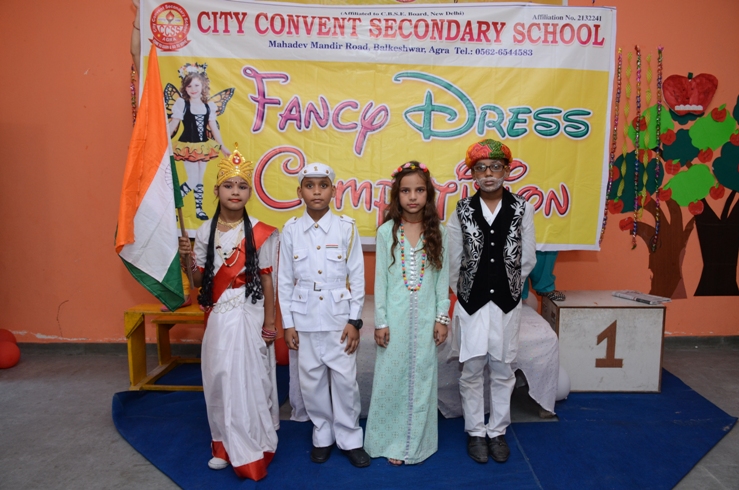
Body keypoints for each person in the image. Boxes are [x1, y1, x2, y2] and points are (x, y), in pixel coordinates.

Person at [177, 148, 279, 481]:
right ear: (217, 190)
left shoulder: (260, 232)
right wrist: (187, 259)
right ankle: (222, 445)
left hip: (249, 311)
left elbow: (267, 280)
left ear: (249, 193)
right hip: (219, 314)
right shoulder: (205, 231)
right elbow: (197, 280)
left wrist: (270, 323)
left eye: (242, 186)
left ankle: (254, 443)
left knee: (249, 378)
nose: (235, 191)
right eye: (229, 185)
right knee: (219, 377)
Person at [447, 139, 536, 464]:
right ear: (472, 174)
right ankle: (475, 432)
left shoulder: (522, 209)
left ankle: (497, 431)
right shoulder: (461, 211)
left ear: (506, 171)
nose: (488, 174)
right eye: (481, 168)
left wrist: (508, 287)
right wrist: (465, 291)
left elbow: (527, 258)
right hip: (471, 304)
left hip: (507, 305)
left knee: (502, 369)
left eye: (495, 167)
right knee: (471, 369)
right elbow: (453, 260)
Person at [277, 163, 370, 468]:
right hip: (304, 318)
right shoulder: (291, 230)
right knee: (311, 381)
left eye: (323, 185)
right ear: (299, 191)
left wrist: (354, 320)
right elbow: (284, 280)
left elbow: (357, 278)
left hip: (338, 319)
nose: (316, 191)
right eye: (309, 185)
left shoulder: (346, 228)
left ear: (333, 190)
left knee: (345, 381)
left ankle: (350, 437)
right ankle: (322, 433)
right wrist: (288, 323)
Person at [364, 161, 450, 465]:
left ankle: (415, 445)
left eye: (419, 190)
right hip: (396, 320)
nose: (412, 197)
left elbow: (442, 279)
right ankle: (389, 441)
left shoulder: (439, 232)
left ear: (428, 194)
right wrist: (381, 321)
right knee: (391, 379)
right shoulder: (386, 232)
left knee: (422, 380)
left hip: (426, 320)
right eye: (405, 191)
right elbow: (381, 282)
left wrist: (441, 318)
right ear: (396, 195)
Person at [169, 63, 231, 220]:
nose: (193, 89)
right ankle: (171, 206)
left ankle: (199, 209)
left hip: (204, 146)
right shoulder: (182, 104)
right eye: (189, 86)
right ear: (185, 88)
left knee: (199, 180)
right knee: (192, 180)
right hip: (187, 146)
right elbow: (173, 124)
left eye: (196, 85)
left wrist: (222, 147)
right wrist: (162, 140)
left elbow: (214, 128)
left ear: (203, 85)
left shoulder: (209, 106)